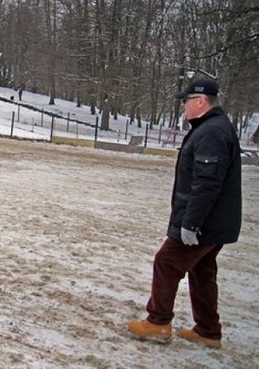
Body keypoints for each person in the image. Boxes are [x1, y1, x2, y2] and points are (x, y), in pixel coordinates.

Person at [126, 79, 242, 349]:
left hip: (204, 223)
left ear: (200, 101)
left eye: (186, 100)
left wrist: (191, 223)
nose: (182, 106)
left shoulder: (211, 132)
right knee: (202, 271)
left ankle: (158, 321)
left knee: (166, 262)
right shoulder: (212, 128)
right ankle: (208, 330)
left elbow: (206, 183)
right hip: (215, 223)